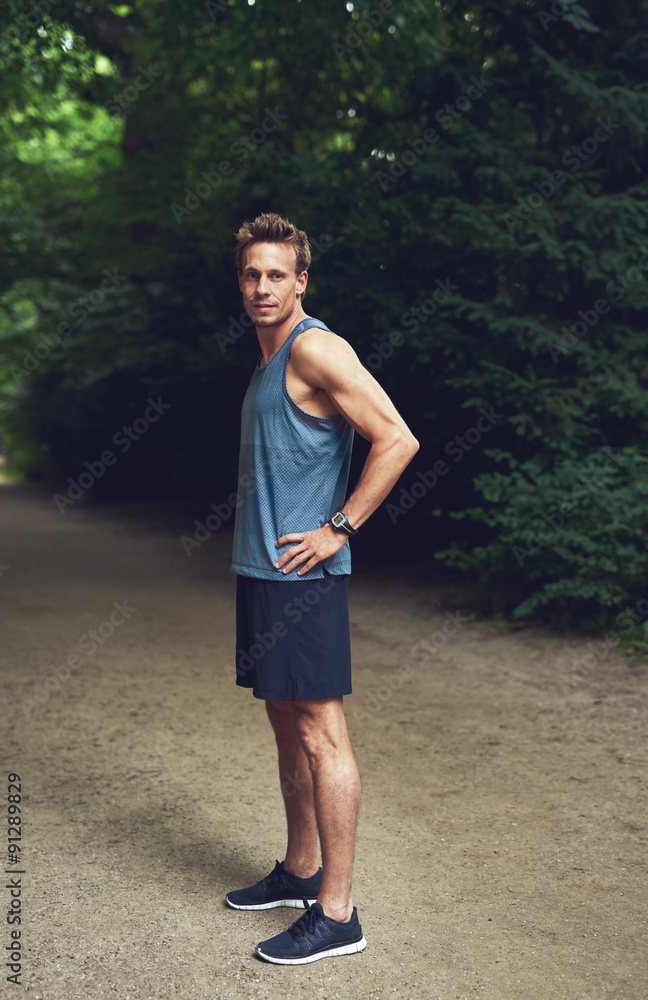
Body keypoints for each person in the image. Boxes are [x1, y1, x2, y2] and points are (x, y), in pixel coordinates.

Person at [226, 212, 419, 965]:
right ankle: (300, 872)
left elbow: (396, 438)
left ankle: (337, 914)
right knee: (284, 722)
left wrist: (340, 526)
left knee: (319, 731)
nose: (263, 286)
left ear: (301, 280)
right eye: (251, 274)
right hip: (262, 570)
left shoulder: (316, 349)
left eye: (277, 274)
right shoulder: (267, 356)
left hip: (302, 577)